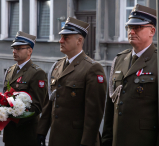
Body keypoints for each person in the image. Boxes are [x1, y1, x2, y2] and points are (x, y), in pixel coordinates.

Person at [37, 17, 107, 146]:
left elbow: (94, 113)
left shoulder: (92, 68)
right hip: (56, 138)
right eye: (61, 37)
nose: (60, 41)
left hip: (76, 138)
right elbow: (50, 103)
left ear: (79, 40)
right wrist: (41, 131)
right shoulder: (57, 66)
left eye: (66, 37)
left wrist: (87, 142)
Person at [102, 4, 158, 146]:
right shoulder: (119, 60)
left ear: (152, 31)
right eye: (129, 27)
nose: (131, 31)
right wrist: (107, 139)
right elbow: (110, 107)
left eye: (138, 28)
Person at [2, 31, 48, 146]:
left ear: (29, 51)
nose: (14, 51)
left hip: (26, 133)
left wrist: (14, 114)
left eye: (18, 48)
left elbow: (37, 106)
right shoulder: (10, 70)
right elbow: (5, 96)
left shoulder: (37, 73)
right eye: (13, 48)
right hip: (10, 132)